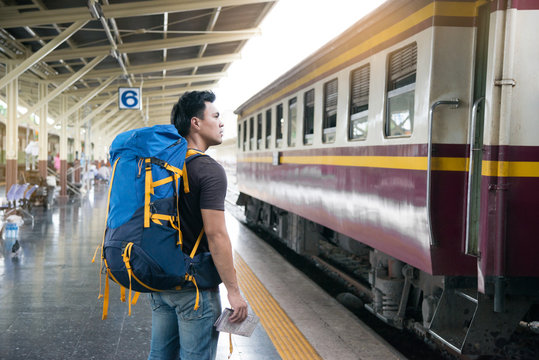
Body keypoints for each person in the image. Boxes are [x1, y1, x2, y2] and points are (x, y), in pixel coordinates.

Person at [148, 91, 248, 360]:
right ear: (196, 123)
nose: (221, 123)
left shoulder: (162, 165)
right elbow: (216, 236)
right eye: (215, 116)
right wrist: (234, 292)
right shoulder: (208, 169)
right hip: (195, 290)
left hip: (160, 282)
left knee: (160, 356)